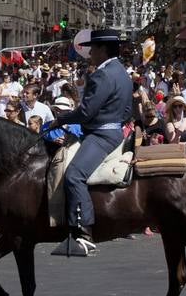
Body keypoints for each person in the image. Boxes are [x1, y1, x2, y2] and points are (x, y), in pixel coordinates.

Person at [50, 28, 132, 255]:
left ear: (103, 49)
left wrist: (61, 119)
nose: (90, 53)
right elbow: (127, 111)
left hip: (101, 135)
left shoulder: (103, 74)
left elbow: (86, 113)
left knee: (74, 175)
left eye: (93, 48)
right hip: (113, 130)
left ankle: (83, 232)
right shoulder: (121, 72)